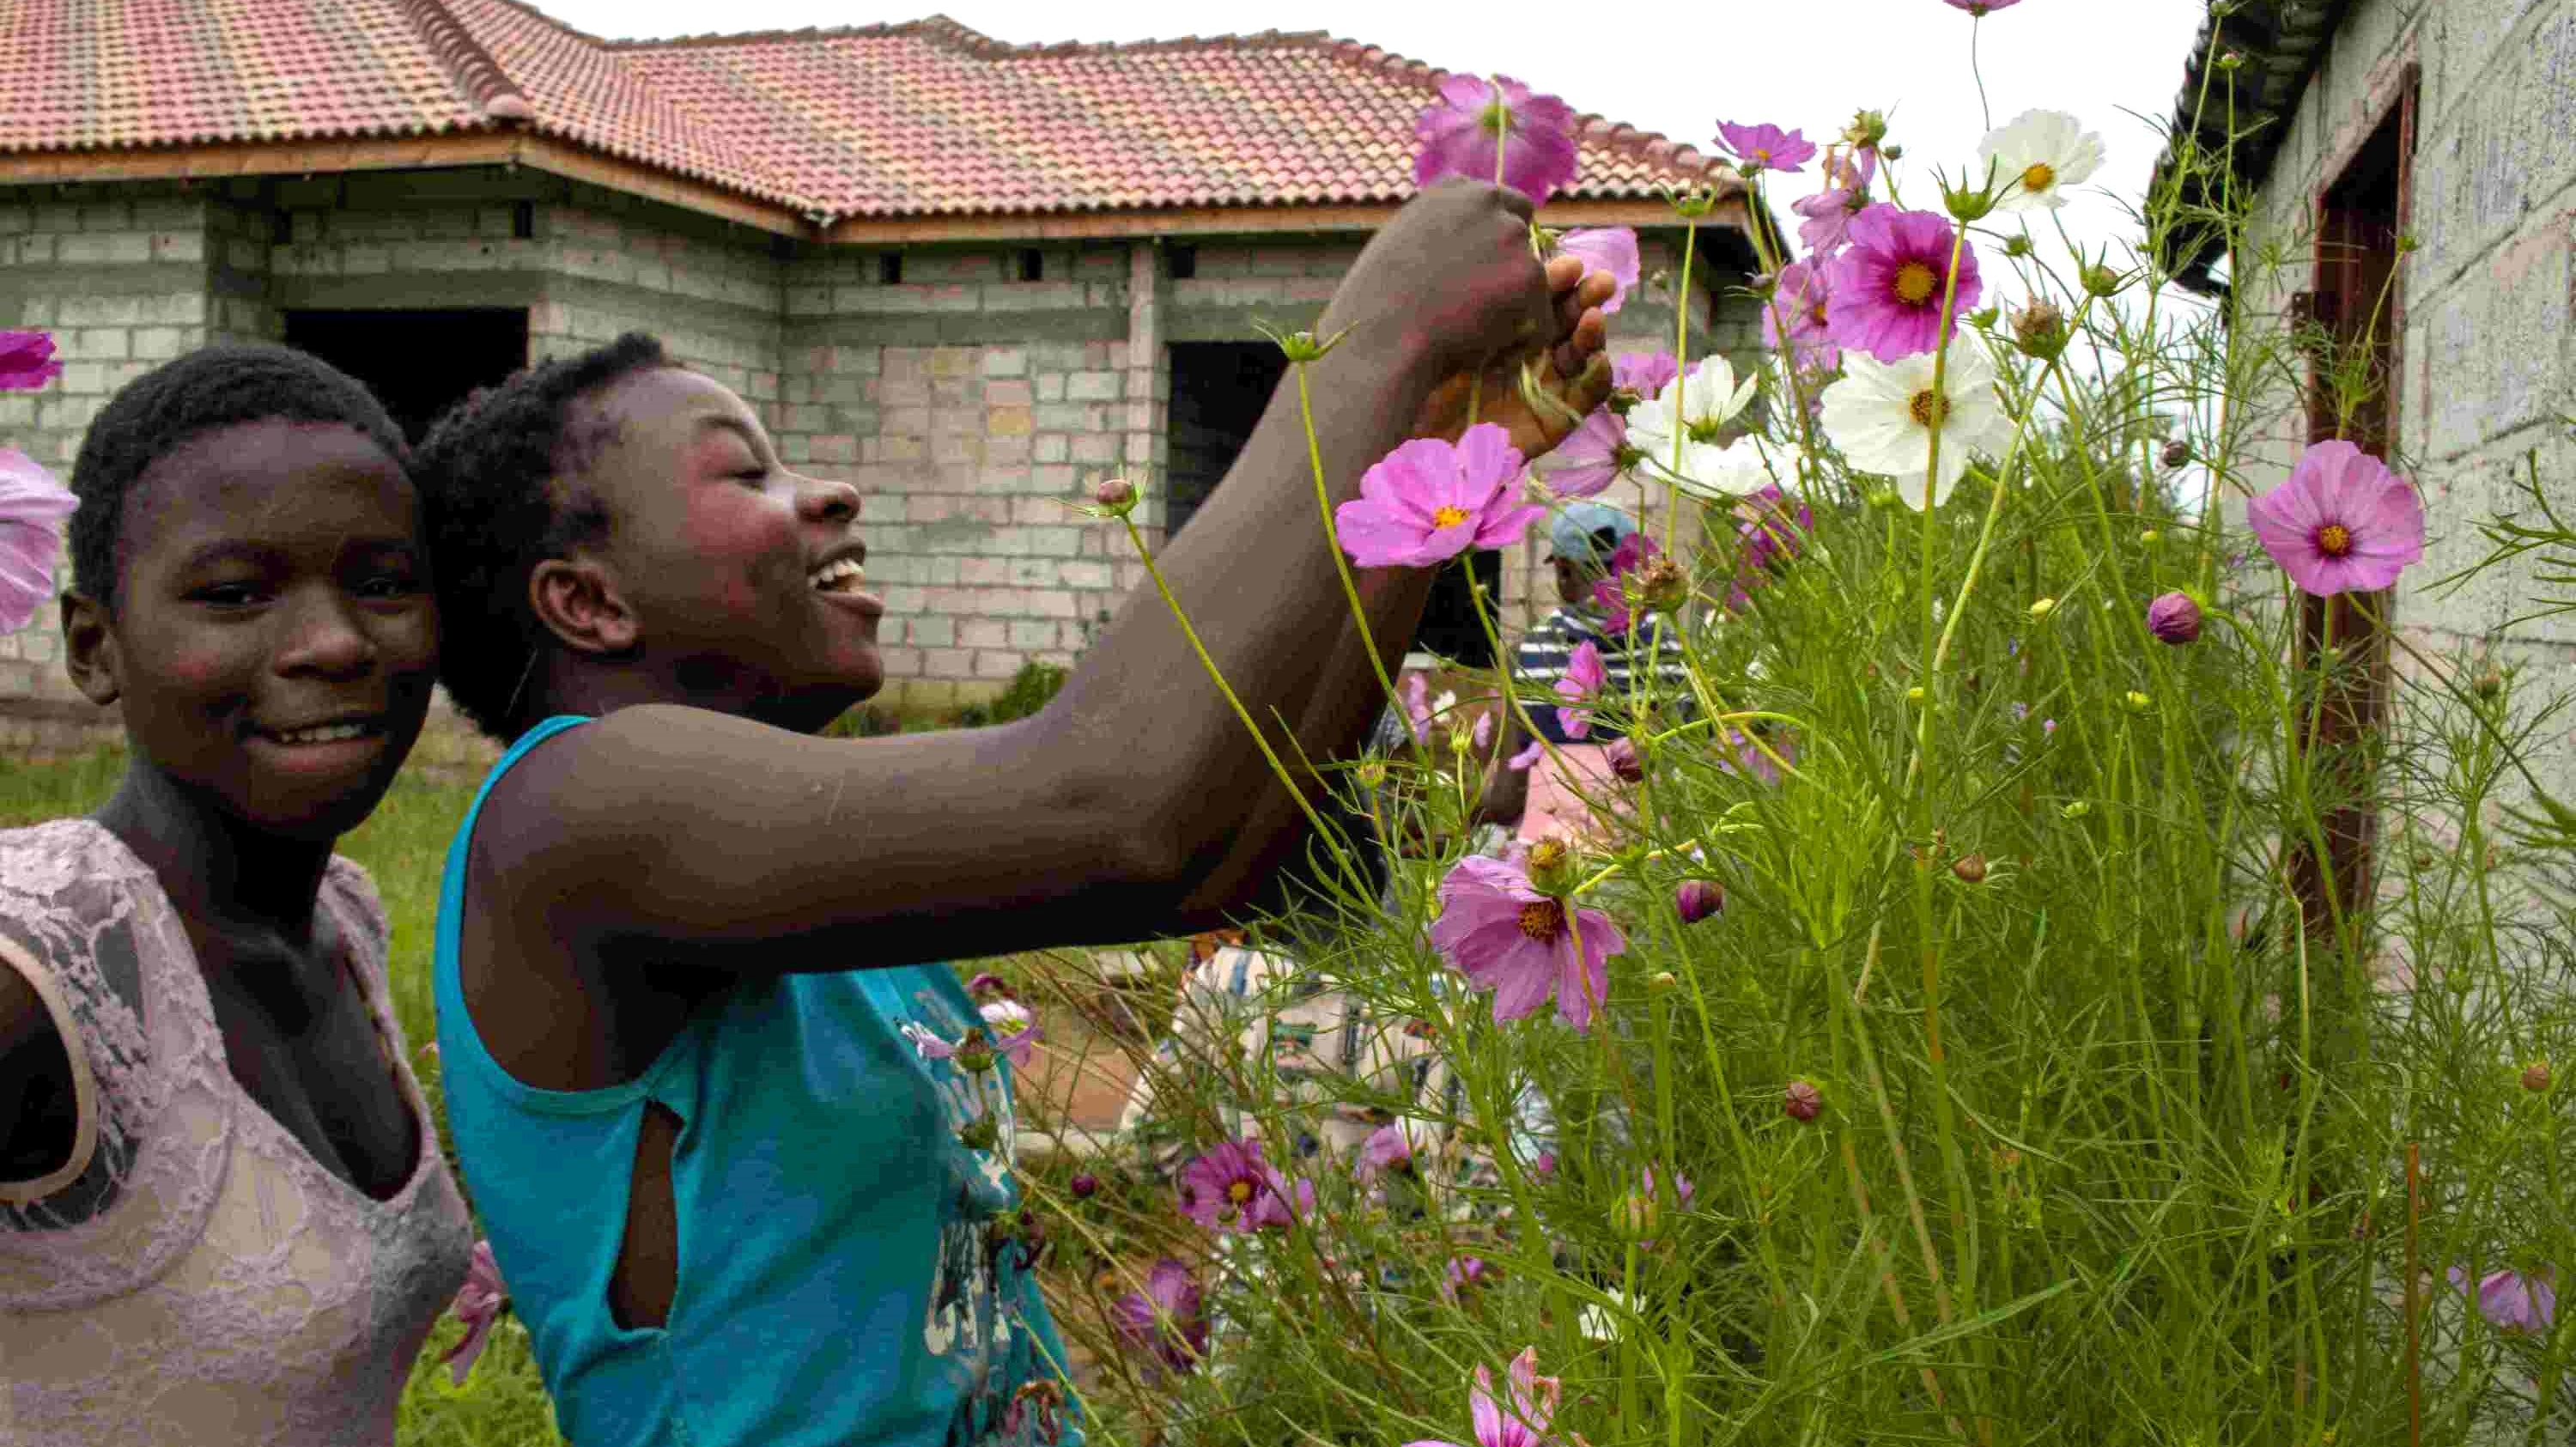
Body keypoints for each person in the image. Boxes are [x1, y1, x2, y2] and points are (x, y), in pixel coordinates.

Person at [412, 178, 1616, 1447]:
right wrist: (1377, 335)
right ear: (588, 603)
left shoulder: (776, 873)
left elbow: (1232, 848)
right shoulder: (574, 813)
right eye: (747, 472)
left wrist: (1426, 464)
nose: (831, 496)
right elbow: (1123, 805)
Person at [0, 345, 472, 1444]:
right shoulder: (37, 966)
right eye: (233, 593)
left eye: (384, 582)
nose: (335, 641)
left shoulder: (341, 919)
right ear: (92, 646)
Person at [1482, 501, 1692, 843]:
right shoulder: (1671, 650)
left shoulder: (1528, 653)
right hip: (1652, 849)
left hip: (1554, 854)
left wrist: (1467, 816)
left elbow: (1508, 797)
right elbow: (1691, 758)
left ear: (1563, 571)